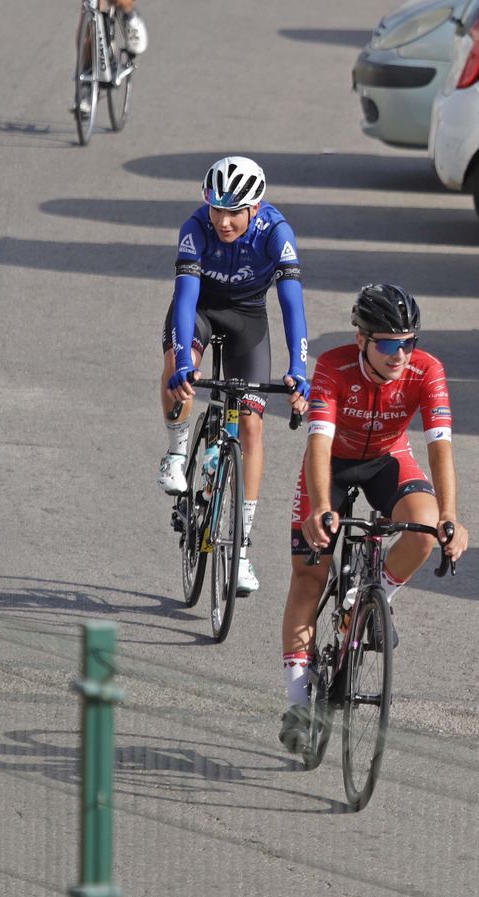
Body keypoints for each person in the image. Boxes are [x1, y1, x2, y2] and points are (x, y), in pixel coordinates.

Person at [277, 284, 469, 753]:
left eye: (408, 342)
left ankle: (372, 600)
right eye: (387, 343)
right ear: (361, 338)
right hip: (333, 466)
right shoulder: (333, 366)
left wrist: (449, 516)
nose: (399, 353)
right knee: (309, 577)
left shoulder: (428, 371)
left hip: (388, 458)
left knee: (423, 533)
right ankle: (299, 701)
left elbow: (440, 445)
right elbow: (319, 444)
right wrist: (322, 507)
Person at [160, 156, 310, 598]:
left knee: (251, 425)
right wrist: (185, 364)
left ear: (255, 208)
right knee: (177, 360)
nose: (222, 221)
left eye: (233, 212)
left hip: (247, 318)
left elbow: (292, 307)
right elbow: (185, 298)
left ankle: (241, 548)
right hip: (201, 311)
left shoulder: (276, 233)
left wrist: (299, 369)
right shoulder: (194, 228)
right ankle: (176, 449)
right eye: (215, 209)